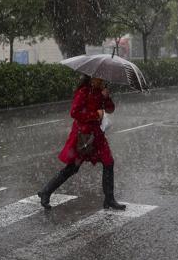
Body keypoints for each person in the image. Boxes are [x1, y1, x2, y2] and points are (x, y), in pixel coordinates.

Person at [37, 75, 126, 210]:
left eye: (102, 80)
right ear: (91, 79)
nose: (101, 81)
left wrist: (106, 97)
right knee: (73, 167)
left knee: (109, 162)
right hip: (83, 137)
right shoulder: (83, 92)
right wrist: (95, 115)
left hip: (97, 136)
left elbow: (110, 109)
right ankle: (46, 191)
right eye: (99, 79)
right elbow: (74, 112)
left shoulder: (101, 92)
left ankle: (109, 199)